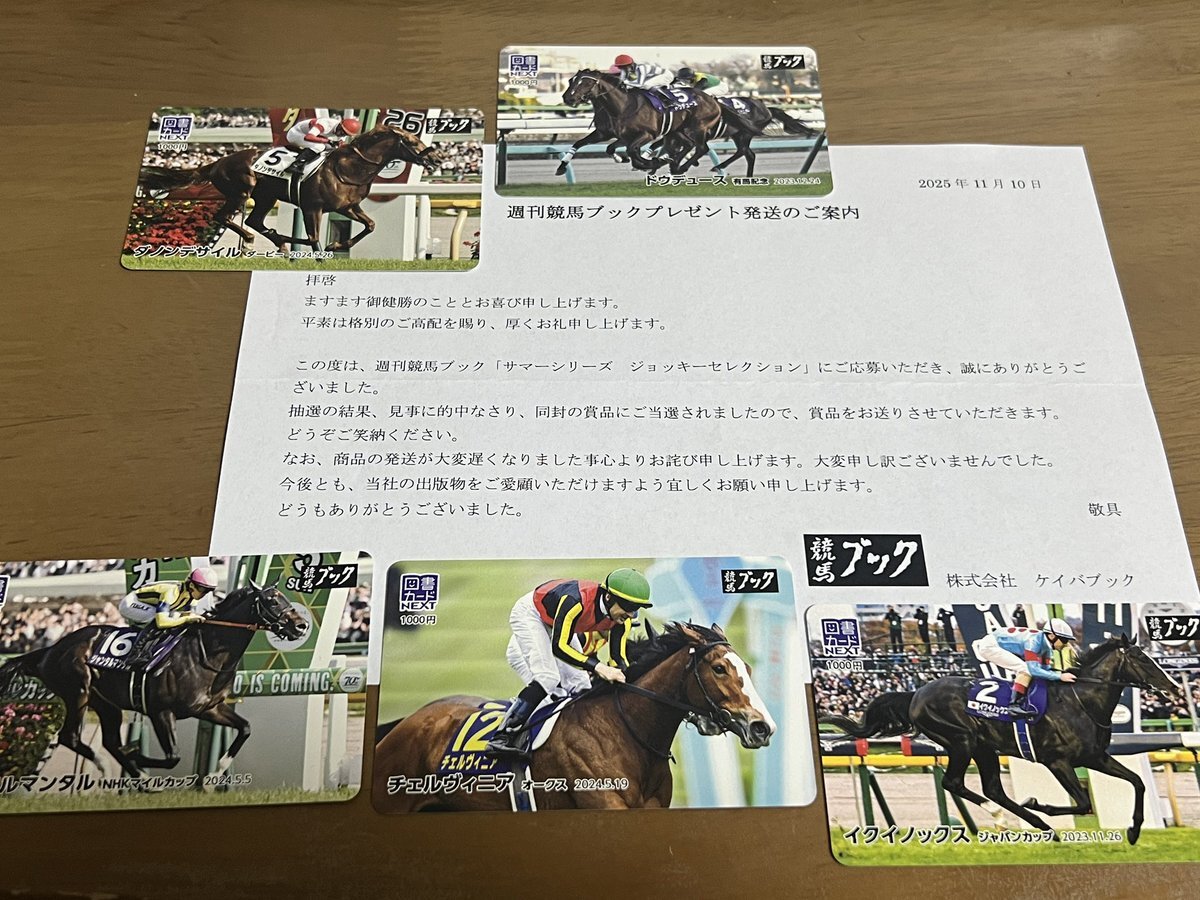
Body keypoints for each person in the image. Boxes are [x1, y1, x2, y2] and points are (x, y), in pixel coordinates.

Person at [486, 568, 653, 756]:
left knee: (582, 684)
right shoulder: (575, 601)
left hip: (558, 623)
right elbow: (559, 647)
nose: (631, 614)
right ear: (608, 598)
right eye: (628, 606)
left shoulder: (622, 620)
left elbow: (618, 660)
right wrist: (598, 667)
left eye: (636, 608)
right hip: (532, 614)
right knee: (548, 678)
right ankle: (502, 736)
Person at [972, 619, 1078, 718]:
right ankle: (1013, 706)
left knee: (1027, 670)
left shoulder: (1046, 647)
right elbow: (1033, 670)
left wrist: (1059, 674)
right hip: (990, 646)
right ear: (1052, 635)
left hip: (999, 643)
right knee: (1025, 669)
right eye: (1064, 640)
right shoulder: (1033, 642)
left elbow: (1045, 670)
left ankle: (1021, 697)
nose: (1066, 644)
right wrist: (1060, 676)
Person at [120, 567, 219, 667]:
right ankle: (134, 655)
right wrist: (186, 618)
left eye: (208, 591)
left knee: (175, 617)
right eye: (202, 589)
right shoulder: (171, 592)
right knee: (158, 618)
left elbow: (188, 616)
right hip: (130, 603)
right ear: (191, 585)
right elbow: (161, 623)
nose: (203, 594)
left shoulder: (192, 597)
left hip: (149, 605)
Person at [284, 114, 362, 175]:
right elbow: (308, 137)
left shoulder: (343, 133)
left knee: (332, 148)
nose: (341, 134)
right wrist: (327, 141)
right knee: (320, 147)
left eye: (345, 133)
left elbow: (340, 146)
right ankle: (295, 165)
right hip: (296, 134)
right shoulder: (325, 124)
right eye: (342, 130)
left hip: (313, 136)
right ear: (340, 124)